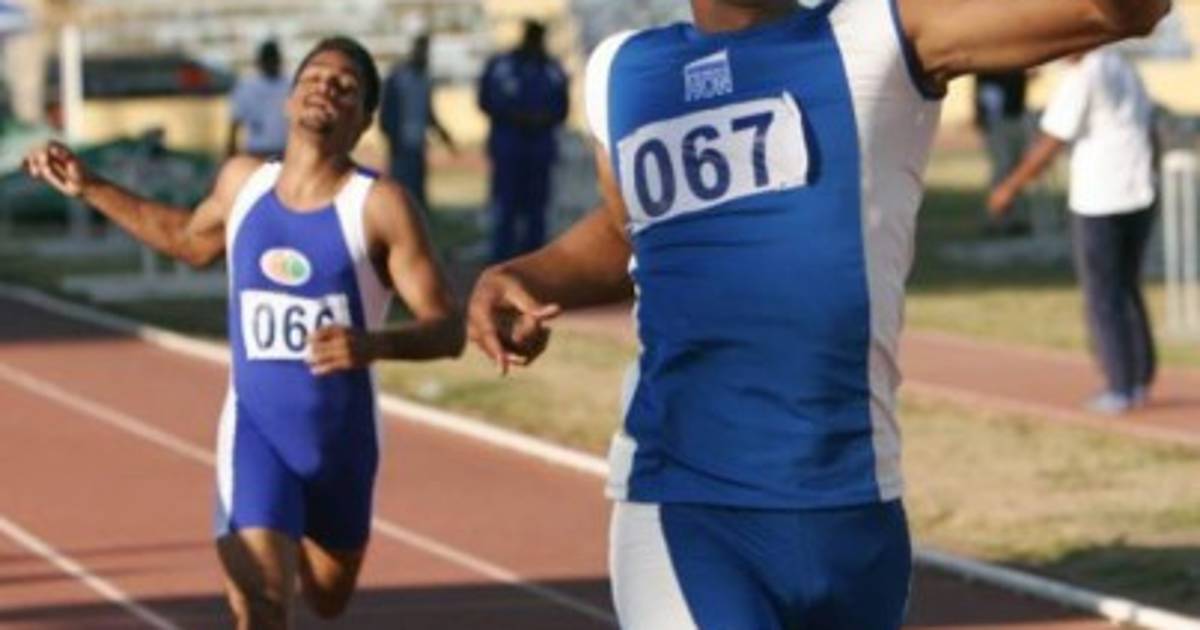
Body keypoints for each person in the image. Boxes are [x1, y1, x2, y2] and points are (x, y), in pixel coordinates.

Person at [466, 0, 1168, 627]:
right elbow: (635, 229)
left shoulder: (878, 32)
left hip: (857, 512)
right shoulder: (621, 72)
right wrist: (527, 275)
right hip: (686, 501)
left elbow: (1123, 13)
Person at [25, 36, 464, 628]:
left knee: (328, 600)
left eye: (344, 88)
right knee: (262, 604)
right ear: (288, 100)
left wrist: (375, 344)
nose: (324, 90)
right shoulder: (244, 183)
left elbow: (448, 329)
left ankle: (306, 531)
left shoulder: (380, 206)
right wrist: (91, 186)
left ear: (364, 120)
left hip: (342, 444)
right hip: (258, 434)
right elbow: (186, 240)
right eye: (313, 79)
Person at [989, 47, 1158, 415]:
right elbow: (1150, 127)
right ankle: (1139, 379)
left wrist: (1009, 188)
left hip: (1100, 198)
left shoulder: (1084, 75)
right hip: (1140, 190)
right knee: (1127, 287)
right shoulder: (1122, 65)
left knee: (1103, 296)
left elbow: (1052, 139)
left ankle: (1120, 386)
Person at [478, 20, 569, 262]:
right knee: (505, 205)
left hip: (540, 149)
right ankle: (501, 258)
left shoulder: (552, 68)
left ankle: (533, 260)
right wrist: (515, 117)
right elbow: (485, 100)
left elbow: (563, 108)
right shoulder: (502, 65)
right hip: (509, 147)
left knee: (537, 208)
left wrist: (542, 119)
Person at [380, 33, 455, 211]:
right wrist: (391, 137)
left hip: (418, 143)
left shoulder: (425, 79)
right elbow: (386, 111)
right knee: (399, 190)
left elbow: (428, 112)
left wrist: (443, 134)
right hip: (401, 143)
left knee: (417, 191)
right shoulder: (398, 77)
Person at [975, 70, 1032, 234]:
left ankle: (1013, 219)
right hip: (998, 119)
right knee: (1002, 168)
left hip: (1015, 116)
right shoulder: (991, 63)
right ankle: (995, 218)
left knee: (1016, 168)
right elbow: (987, 91)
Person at [228, 40, 290, 158]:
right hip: (256, 152)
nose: (270, 63)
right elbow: (235, 122)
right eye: (267, 59)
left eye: (273, 59)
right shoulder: (247, 87)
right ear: (260, 61)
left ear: (279, 60)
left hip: (284, 152)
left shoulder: (290, 85)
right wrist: (230, 153)